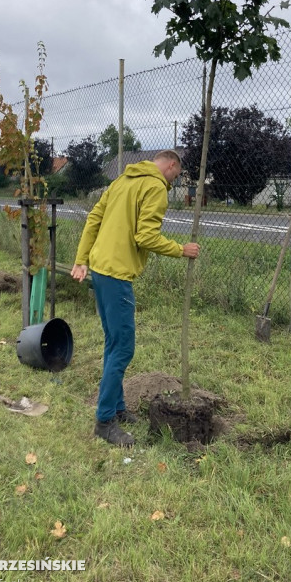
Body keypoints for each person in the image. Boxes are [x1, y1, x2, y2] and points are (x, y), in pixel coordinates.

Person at [71, 150, 200, 447]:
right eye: (177, 175)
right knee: (124, 347)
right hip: (117, 274)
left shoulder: (121, 180)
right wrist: (182, 249)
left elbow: (93, 220)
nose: (175, 181)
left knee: (112, 342)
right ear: (171, 166)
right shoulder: (155, 187)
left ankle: (117, 408)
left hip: (101, 269)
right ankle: (105, 421)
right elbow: (145, 236)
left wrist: (82, 259)